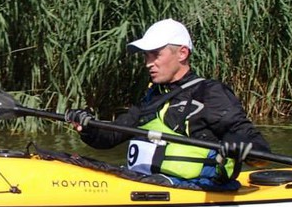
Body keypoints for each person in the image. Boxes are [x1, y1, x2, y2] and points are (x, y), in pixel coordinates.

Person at [67, 18, 271, 190]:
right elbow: (111, 136)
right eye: (146, 56)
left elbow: (257, 148)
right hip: (147, 183)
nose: (148, 63)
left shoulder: (208, 93)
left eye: (156, 54)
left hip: (195, 189)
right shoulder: (153, 96)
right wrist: (87, 126)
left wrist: (241, 145)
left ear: (182, 53)